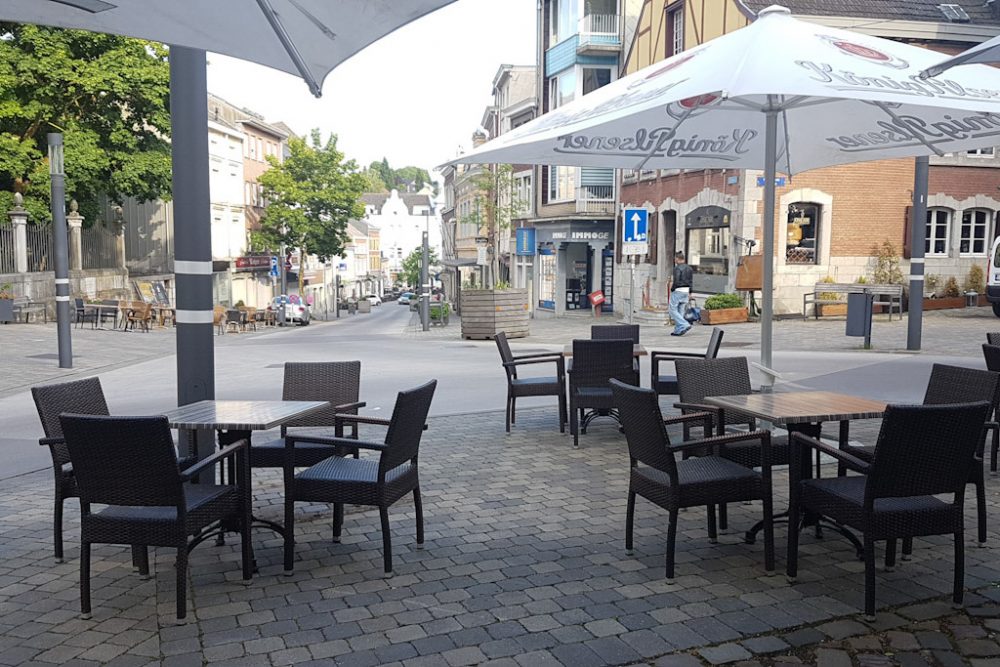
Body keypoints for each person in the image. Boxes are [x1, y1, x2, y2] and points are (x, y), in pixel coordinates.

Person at [668, 251, 693, 336]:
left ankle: (684, 324)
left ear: (677, 259)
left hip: (678, 290)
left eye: (675, 258)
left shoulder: (677, 268)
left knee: (672, 310)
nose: (674, 260)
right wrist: (690, 292)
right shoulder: (689, 268)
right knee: (680, 310)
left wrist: (672, 289)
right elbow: (691, 281)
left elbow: (677, 281)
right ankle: (678, 330)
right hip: (686, 291)